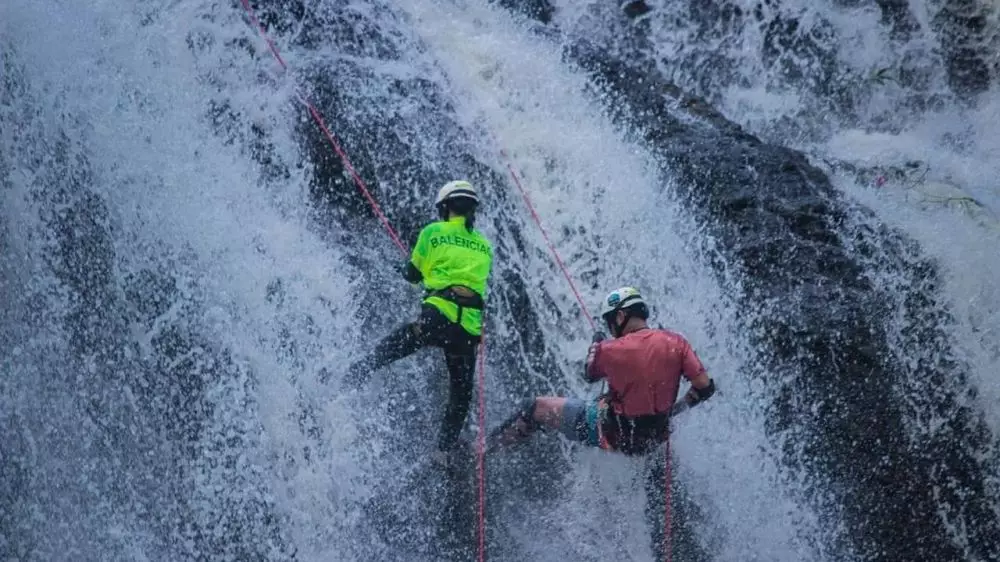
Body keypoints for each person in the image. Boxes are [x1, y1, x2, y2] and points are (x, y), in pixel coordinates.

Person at [341, 180, 493, 458]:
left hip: (437, 317)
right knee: (460, 396)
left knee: (388, 350)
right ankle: (444, 452)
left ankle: (346, 380)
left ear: (445, 207)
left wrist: (403, 268)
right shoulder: (484, 245)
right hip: (468, 329)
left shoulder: (433, 232)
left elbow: (413, 274)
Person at [487, 285, 716, 455]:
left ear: (620, 316)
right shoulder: (677, 342)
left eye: (610, 322)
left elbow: (589, 373)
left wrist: (596, 344)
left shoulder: (609, 349)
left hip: (614, 434)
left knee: (535, 407)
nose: (611, 329)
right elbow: (705, 388)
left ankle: (485, 451)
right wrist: (670, 413)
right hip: (655, 436)